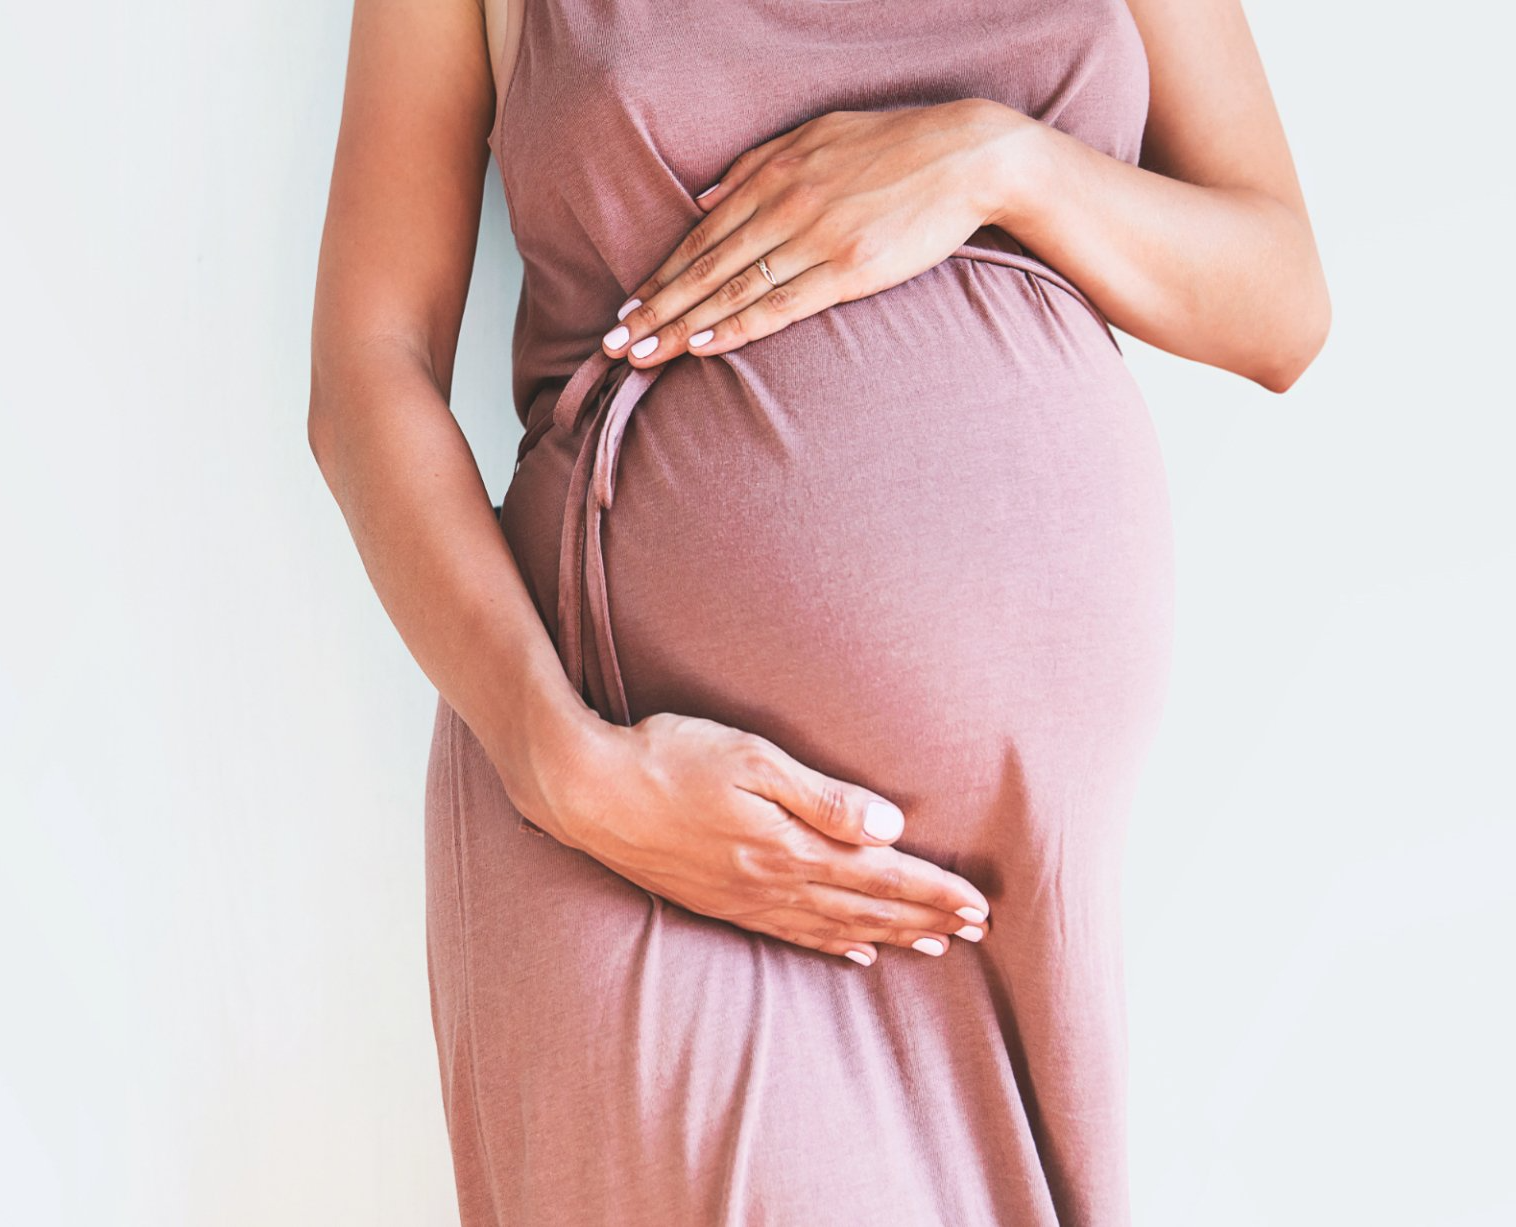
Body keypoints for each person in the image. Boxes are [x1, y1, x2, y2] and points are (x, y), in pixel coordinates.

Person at [308, 0, 1329, 1221]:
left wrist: (993, 161)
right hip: (648, 813)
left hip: (1017, 887)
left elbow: (1280, 302)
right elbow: (366, 368)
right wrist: (560, 764)